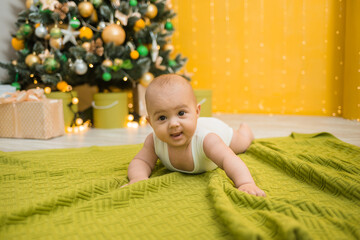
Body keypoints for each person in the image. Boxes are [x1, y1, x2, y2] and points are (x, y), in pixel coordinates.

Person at [125, 74, 266, 197]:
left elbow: (229, 160)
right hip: (195, 126)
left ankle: (245, 131)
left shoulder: (207, 140)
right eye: (162, 118)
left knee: (242, 144)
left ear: (197, 111)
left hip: (219, 130)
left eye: (181, 113)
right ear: (150, 122)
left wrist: (245, 183)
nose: (173, 124)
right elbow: (141, 161)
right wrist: (138, 178)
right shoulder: (153, 141)